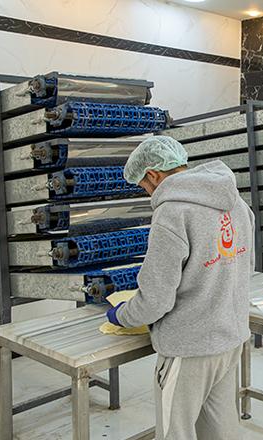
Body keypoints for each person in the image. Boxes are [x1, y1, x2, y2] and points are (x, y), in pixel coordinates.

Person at [106, 136, 255, 439]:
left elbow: (156, 301)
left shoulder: (172, 213)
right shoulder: (236, 203)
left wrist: (122, 315)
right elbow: (244, 267)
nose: (147, 194)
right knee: (220, 429)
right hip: (231, 337)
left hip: (190, 348)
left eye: (143, 186)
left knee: (176, 431)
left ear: (153, 174)